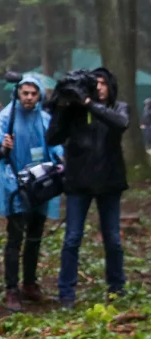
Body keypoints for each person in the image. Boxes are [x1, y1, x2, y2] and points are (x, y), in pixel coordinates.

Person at [47, 67, 129, 307]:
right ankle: (66, 294)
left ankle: (116, 289)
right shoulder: (74, 112)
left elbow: (121, 123)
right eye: (96, 83)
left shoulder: (118, 107)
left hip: (109, 182)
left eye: (104, 83)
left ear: (110, 86)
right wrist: (62, 108)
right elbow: (52, 139)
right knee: (72, 238)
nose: (100, 87)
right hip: (78, 183)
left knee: (113, 239)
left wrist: (89, 103)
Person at [0, 77, 64, 312]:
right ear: (18, 93)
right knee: (15, 238)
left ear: (39, 95)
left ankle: (29, 282)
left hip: (41, 184)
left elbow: (56, 146)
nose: (29, 97)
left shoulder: (45, 119)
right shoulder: (4, 119)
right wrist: (3, 148)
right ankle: (11, 288)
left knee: (35, 237)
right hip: (15, 186)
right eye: (25, 93)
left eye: (33, 93)